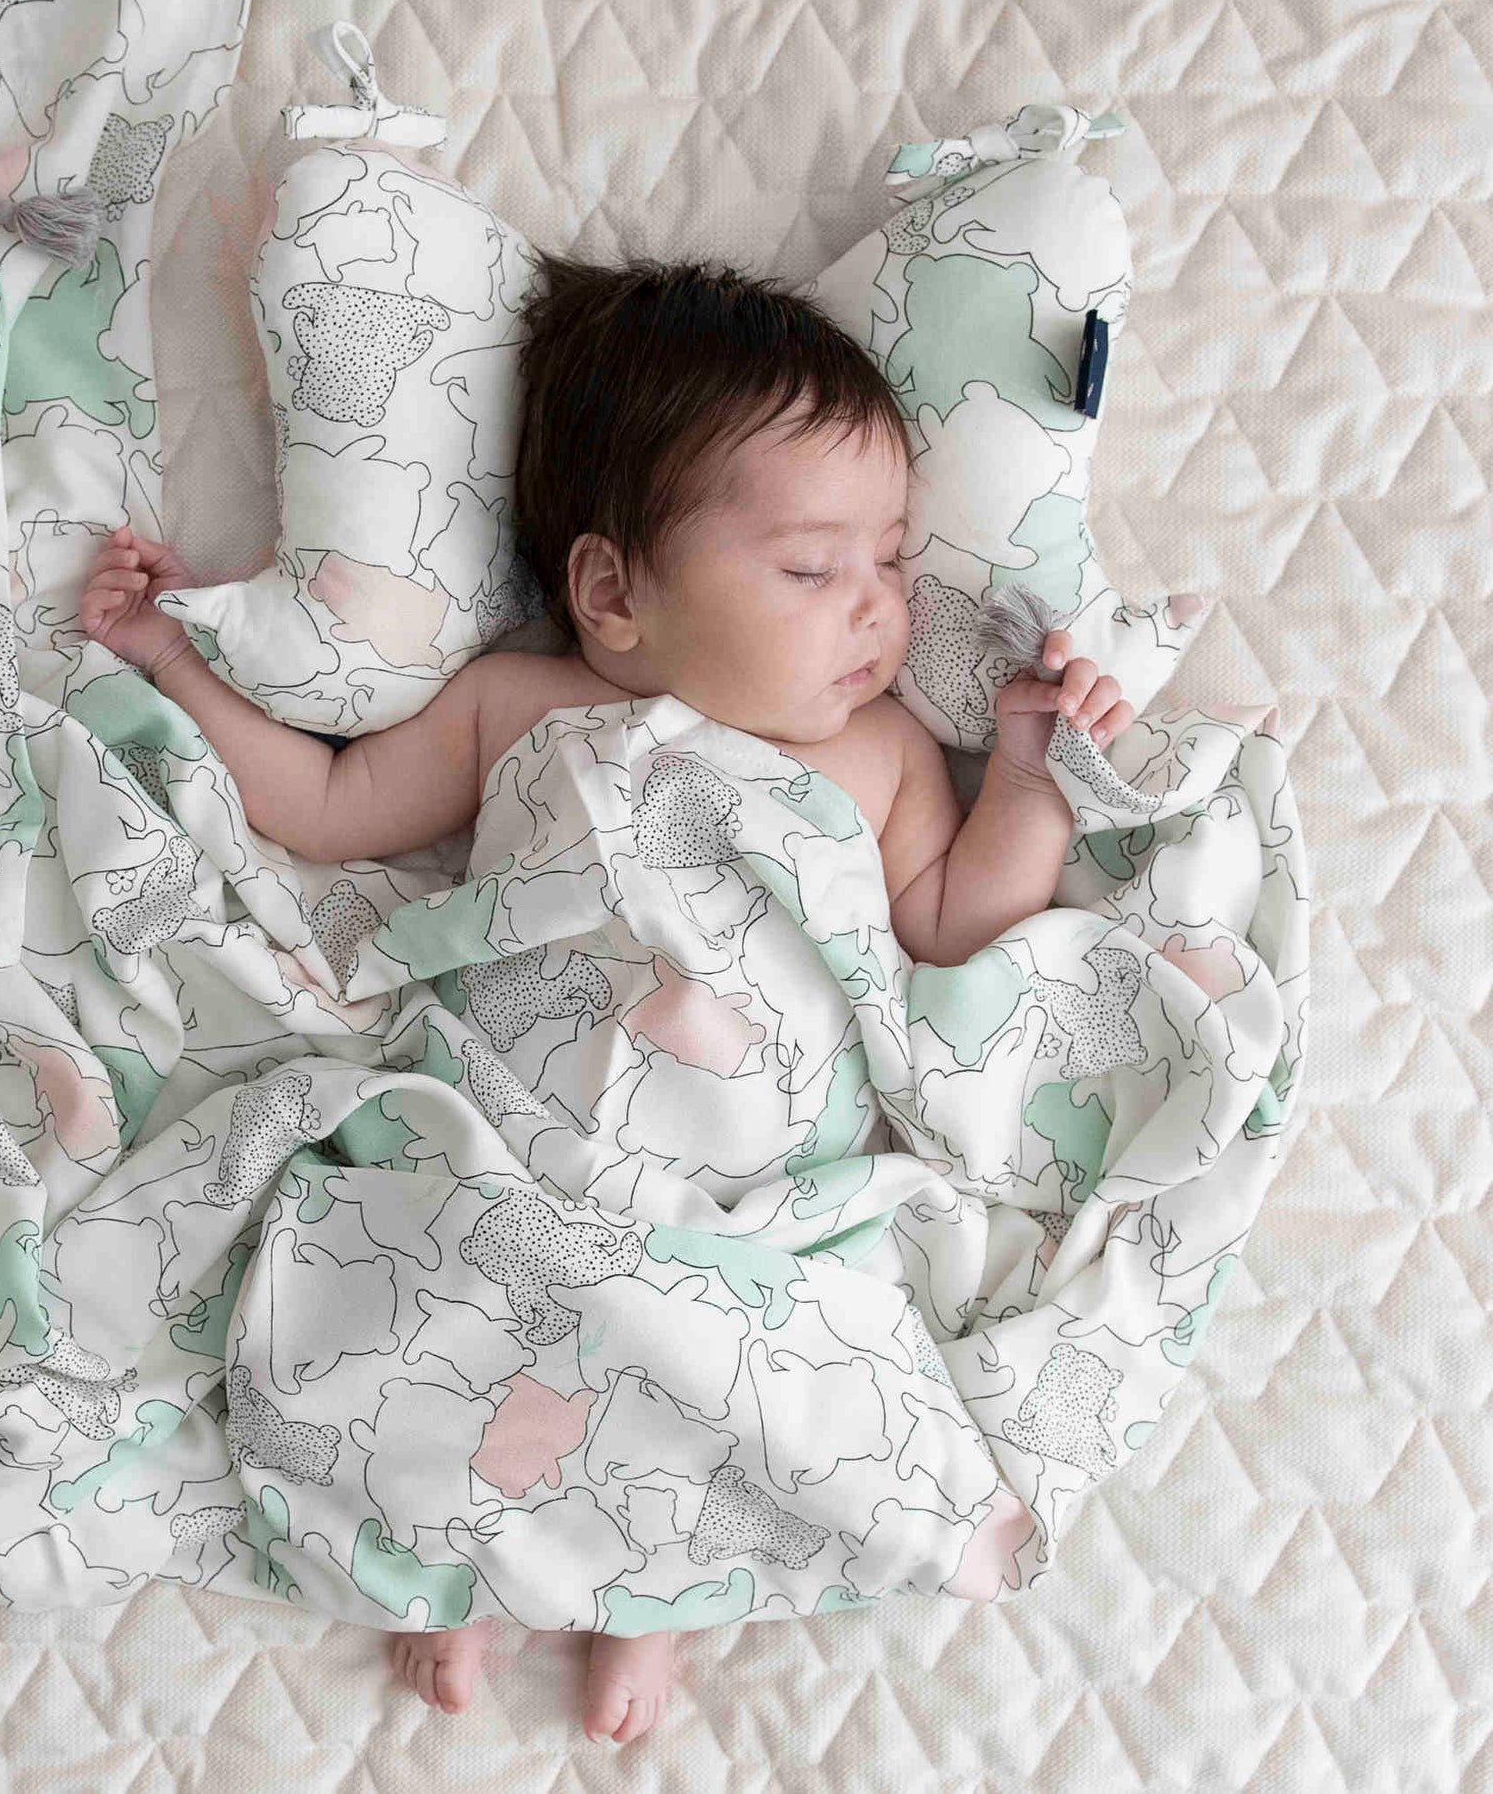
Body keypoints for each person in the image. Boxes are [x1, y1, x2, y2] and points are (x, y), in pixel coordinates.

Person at [79, 253, 1136, 1744]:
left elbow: (963, 927)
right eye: (811, 569)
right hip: (518, 1140)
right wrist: (169, 661)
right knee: (437, 1291)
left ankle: (659, 1594)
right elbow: (320, 807)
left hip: (753, 1188)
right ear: (611, 592)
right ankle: (464, 1562)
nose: (876, 612)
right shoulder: (522, 709)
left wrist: (1026, 776)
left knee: (760, 1357)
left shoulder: (882, 757)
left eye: (893, 563)